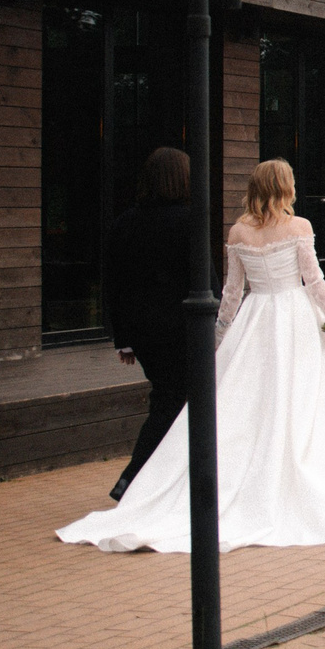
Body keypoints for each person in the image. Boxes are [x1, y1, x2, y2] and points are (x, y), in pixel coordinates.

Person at [59, 159, 325, 554]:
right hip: (295, 317)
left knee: (248, 400)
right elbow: (315, 280)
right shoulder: (299, 227)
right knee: (301, 396)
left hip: (255, 318)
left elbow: (233, 293)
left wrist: (219, 338)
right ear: (285, 187)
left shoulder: (238, 232)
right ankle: (295, 474)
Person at [101, 147, 199, 501]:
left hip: (142, 336)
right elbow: (205, 281)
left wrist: (123, 340)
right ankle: (133, 476)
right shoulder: (190, 220)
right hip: (180, 332)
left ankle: (161, 478)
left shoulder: (124, 223)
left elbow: (114, 284)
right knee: (175, 400)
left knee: (168, 397)